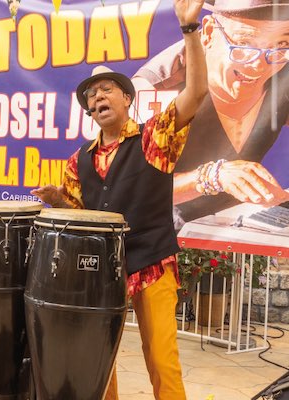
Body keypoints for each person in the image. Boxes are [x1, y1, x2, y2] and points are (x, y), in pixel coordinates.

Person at [30, 0, 208, 398]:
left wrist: (190, 28)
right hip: (103, 269)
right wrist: (58, 199)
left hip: (152, 261)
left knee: (161, 360)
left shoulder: (153, 137)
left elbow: (196, 92)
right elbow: (80, 217)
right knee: (98, 359)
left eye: (106, 90)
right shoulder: (80, 160)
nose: (97, 100)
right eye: (91, 98)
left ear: (127, 98)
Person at [134, 0, 289, 225]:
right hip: (162, 237)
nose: (258, 66)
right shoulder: (157, 88)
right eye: (244, 45)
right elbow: (131, 190)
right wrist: (211, 177)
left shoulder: (282, 65)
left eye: (281, 44)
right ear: (207, 33)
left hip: (241, 235)